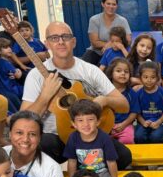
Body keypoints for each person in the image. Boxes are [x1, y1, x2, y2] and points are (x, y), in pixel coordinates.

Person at [20, 21, 130, 167]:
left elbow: (124, 106)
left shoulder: (90, 70)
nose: (60, 41)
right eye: (54, 38)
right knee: (39, 146)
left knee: (124, 157)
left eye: (65, 37)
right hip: (56, 139)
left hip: (90, 135)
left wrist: (104, 100)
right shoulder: (36, 75)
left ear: (74, 42)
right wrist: (45, 96)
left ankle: (83, 164)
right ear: (47, 44)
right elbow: (24, 122)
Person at [64, 100, 119, 177]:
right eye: (80, 120)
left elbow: (111, 162)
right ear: (74, 124)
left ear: (98, 121)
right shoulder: (73, 138)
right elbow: (72, 161)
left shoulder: (104, 138)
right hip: (82, 172)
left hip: (101, 172)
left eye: (90, 119)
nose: (86, 124)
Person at [84, 0, 132, 66]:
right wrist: (109, 44)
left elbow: (128, 41)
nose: (111, 7)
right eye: (108, 4)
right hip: (96, 52)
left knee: (106, 69)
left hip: (115, 52)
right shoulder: (94, 19)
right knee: (84, 66)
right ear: (103, 4)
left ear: (117, 6)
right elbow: (94, 42)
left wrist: (112, 45)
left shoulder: (122, 20)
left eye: (114, 4)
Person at [135, 61, 163, 144]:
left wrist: (158, 122)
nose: (149, 80)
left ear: (158, 78)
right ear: (140, 78)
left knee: (155, 137)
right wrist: (143, 122)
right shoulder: (138, 94)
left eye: (153, 77)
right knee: (139, 136)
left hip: (160, 123)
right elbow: (136, 112)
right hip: (144, 123)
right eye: (145, 77)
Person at [105, 58, 139, 144]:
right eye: (118, 71)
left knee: (127, 140)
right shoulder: (104, 91)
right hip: (106, 125)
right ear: (111, 73)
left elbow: (134, 113)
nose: (123, 73)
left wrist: (123, 124)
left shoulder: (131, 93)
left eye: (126, 72)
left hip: (125, 125)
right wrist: (108, 125)